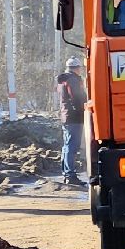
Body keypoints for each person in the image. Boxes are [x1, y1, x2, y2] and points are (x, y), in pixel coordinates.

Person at [56, 56, 88, 186]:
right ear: (77, 68)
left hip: (67, 116)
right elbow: (77, 97)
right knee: (71, 146)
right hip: (74, 117)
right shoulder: (73, 80)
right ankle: (70, 175)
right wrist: (83, 108)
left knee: (67, 145)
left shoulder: (63, 80)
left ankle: (66, 173)